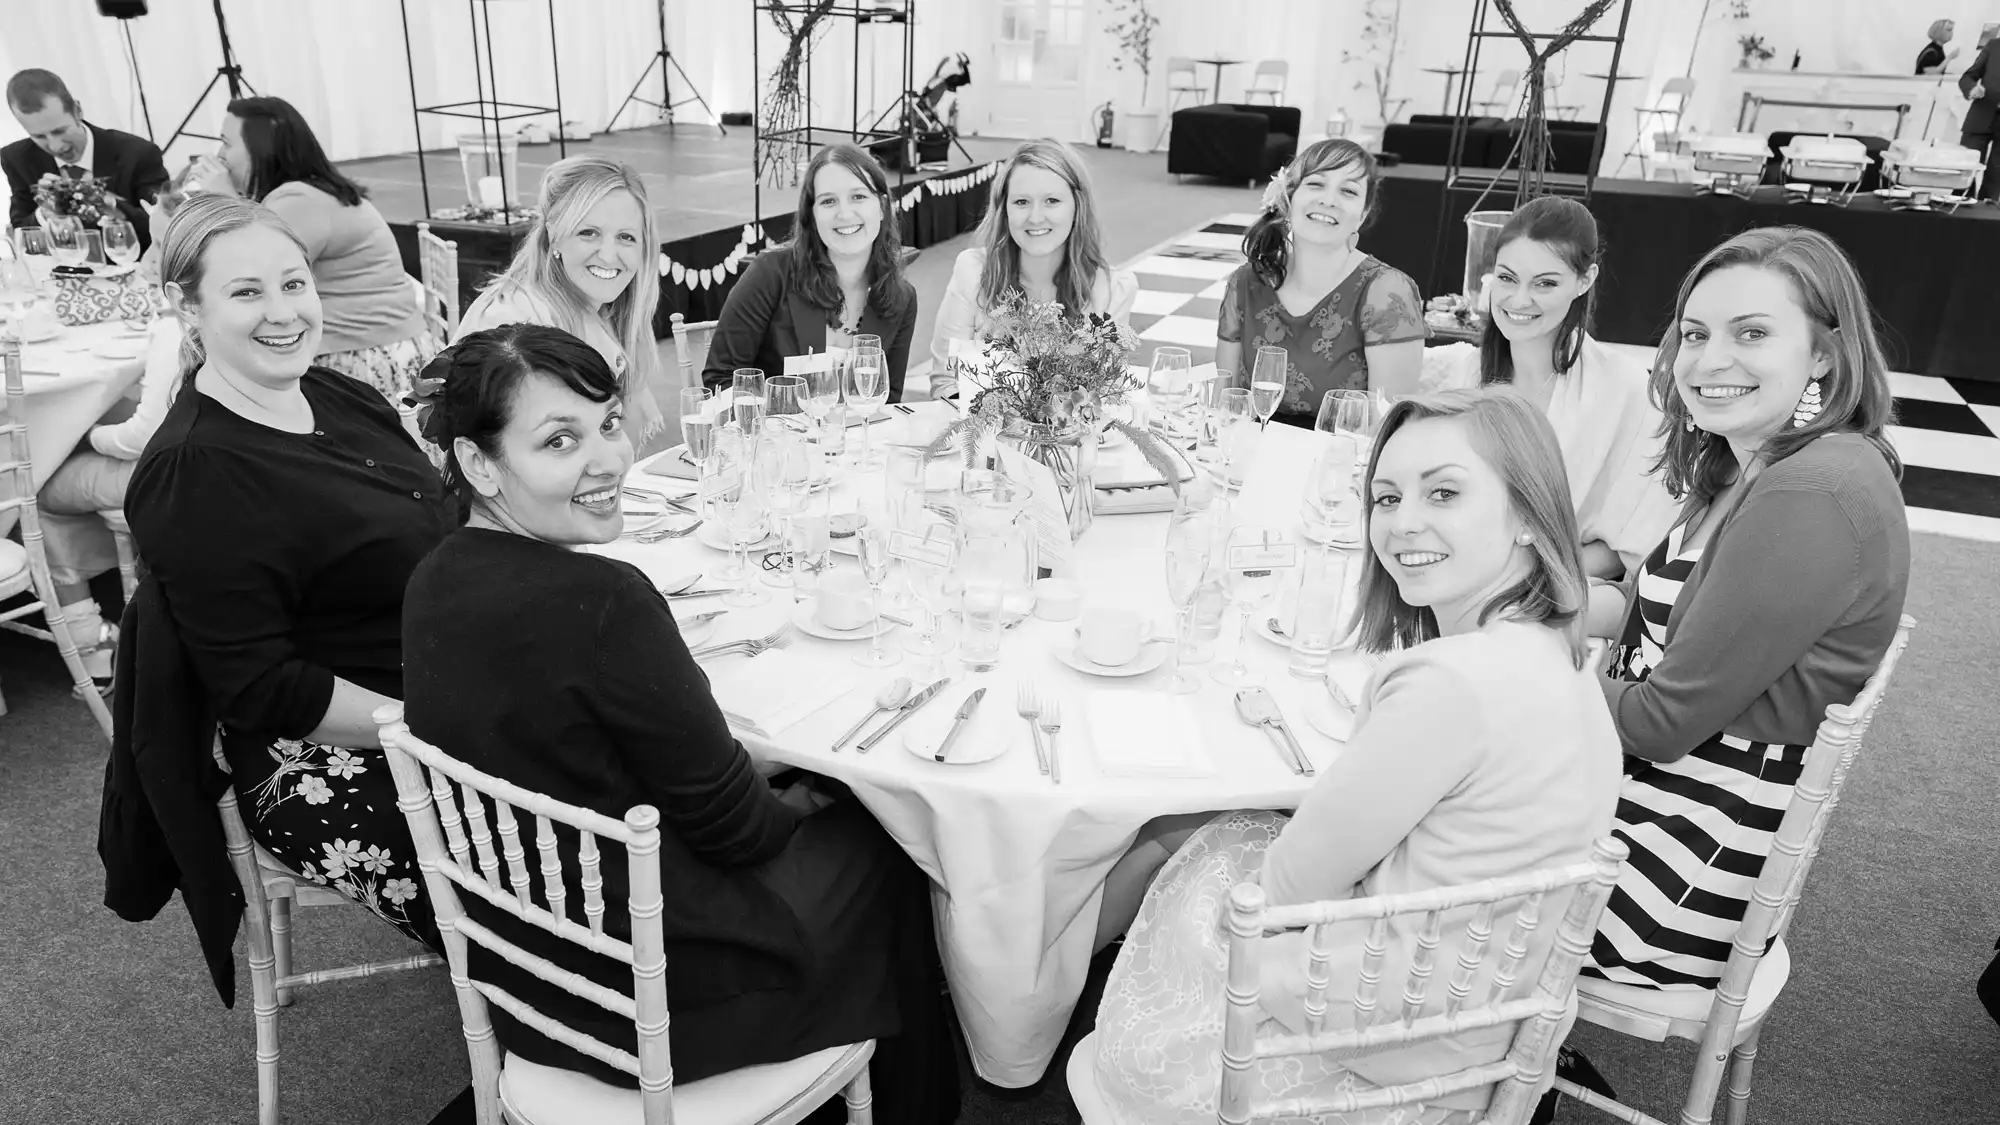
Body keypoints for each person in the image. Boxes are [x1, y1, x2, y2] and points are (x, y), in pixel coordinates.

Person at [400, 324, 959, 1122]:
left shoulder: (433, 578)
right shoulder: (605, 601)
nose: (608, 460)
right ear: (478, 462)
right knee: (889, 840)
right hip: (652, 995)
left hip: (526, 974)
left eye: (608, 424)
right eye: (561, 441)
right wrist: (809, 795)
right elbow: (740, 830)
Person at [1089, 390, 1621, 1125]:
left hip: (1389, 1034)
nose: (1403, 522)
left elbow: (1285, 889)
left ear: (1527, 514)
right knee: (1231, 827)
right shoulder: (1561, 654)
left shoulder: (1448, 682)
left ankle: (1036, 1015)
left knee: (1199, 843)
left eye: (1444, 492)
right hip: (1490, 1011)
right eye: (1386, 496)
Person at [126, 194, 458, 949]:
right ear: (187, 306)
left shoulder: (335, 391)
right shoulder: (194, 474)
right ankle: (554, 1037)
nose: (283, 312)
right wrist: (439, 727)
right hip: (329, 753)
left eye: (294, 283)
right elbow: (265, 685)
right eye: (246, 292)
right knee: (552, 875)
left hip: (443, 689)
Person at [1582, 227, 1909, 992]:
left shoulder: (1813, 493)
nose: (1707, 359)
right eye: (1694, 334)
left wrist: (1517, 678)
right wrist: (1523, 605)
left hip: (1676, 862)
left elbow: (1662, 723)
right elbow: (1640, 609)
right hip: (1640, 799)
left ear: (1824, 355)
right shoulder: (1752, 463)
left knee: (1393, 837)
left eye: (1752, 333)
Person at [1432, 196, 1678, 579]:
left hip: (1552, 594)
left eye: (1544, 283)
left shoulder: (1625, 391)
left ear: (1586, 280)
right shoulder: (1464, 374)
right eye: (1507, 278)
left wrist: (1521, 575)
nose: (1519, 299)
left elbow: (1630, 547)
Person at [35, 165, 199, 685]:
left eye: (155, 248)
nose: (148, 261)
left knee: (38, 484)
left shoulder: (176, 325)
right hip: (221, 463)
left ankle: (88, 638)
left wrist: (84, 436)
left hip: (178, 474)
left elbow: (143, 437)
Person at [179, 96, 436, 402]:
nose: (220, 156)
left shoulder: (299, 201)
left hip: (365, 359)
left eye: (227, 144)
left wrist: (222, 197)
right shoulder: (304, 192)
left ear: (261, 150)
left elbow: (247, 271)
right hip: (379, 345)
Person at [456, 154, 667, 447]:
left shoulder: (607, 313)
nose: (608, 255)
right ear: (554, 235)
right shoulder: (513, 323)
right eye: (588, 233)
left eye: (626, 237)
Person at [1216, 138, 1427, 424]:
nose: (1328, 200)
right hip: (1249, 453)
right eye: (1316, 184)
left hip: (1340, 461)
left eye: (1348, 191)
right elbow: (1225, 405)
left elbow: (1388, 427)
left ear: (1362, 216)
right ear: (1289, 199)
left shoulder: (1385, 293)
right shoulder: (1247, 283)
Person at [704, 143, 918, 402]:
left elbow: (889, 401)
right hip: (775, 439)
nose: (845, 213)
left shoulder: (902, 298)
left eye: (859, 196)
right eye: (828, 201)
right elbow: (722, 379)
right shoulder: (771, 274)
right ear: (812, 215)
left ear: (882, 207)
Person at [927, 138, 1136, 401]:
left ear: (1077, 207)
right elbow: (946, 384)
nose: (1035, 217)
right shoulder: (974, 272)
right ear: (1004, 210)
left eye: (1051, 200)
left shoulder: (1112, 289)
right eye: (1021, 202)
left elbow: (1108, 396)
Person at [3, 69, 169, 250]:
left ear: (78, 111)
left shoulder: (138, 153)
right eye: (39, 137)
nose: (55, 146)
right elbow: (21, 236)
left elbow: (169, 229)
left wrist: (112, 205)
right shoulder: (17, 159)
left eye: (60, 131)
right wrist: (44, 213)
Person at [1960, 32, 2000, 201]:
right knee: (1965, 169)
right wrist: (1971, 89)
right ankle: (1961, 207)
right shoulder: (1993, 46)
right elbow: (1968, 76)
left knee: (1996, 175)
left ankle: (1987, 214)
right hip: (1981, 115)